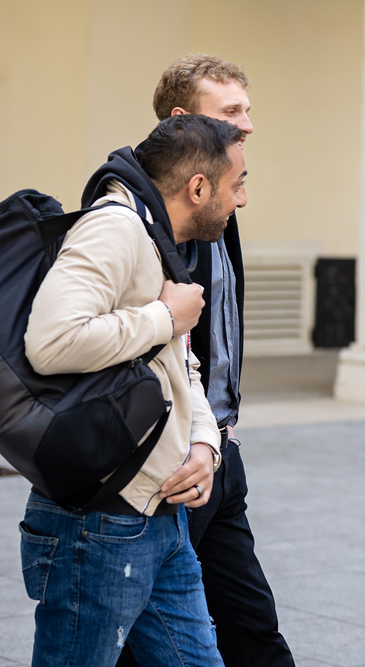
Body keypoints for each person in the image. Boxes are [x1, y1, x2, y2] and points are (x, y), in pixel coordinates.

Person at [21, 114, 246, 666]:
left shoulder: (156, 235)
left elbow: (177, 363)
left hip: (159, 514)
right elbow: (50, 342)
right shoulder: (116, 228)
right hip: (99, 522)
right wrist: (165, 317)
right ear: (198, 188)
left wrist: (204, 442)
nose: (241, 200)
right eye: (236, 184)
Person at [120, 54, 294, 667]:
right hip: (173, 465)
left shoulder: (220, 197)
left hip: (220, 451)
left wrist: (222, 438)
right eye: (232, 112)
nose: (247, 124)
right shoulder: (142, 221)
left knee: (253, 629)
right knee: (144, 638)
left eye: (247, 110)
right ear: (182, 119)